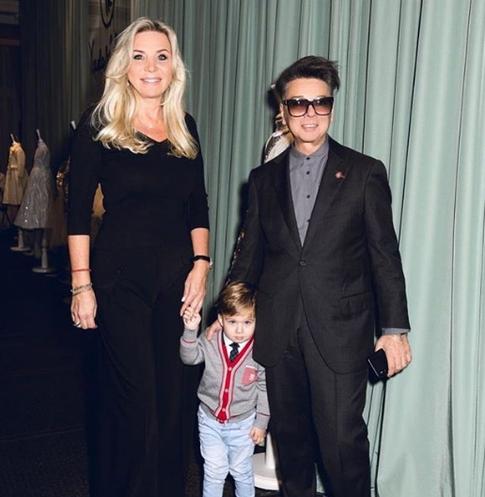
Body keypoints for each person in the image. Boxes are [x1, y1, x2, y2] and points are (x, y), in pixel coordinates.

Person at [209, 56, 412, 497]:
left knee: (342, 443)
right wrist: (224, 315)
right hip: (279, 328)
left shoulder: (364, 172)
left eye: (320, 103)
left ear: (331, 108)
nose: (309, 113)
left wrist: (394, 329)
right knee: (290, 444)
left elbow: (384, 255)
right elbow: (248, 258)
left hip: (340, 331)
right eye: (298, 103)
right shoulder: (262, 180)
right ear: (283, 111)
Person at [67, 17, 210, 497]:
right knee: (135, 404)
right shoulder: (99, 125)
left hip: (175, 282)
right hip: (118, 280)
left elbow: (198, 205)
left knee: (171, 402)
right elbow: (77, 213)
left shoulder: (185, 127)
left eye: (161, 57)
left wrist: (201, 266)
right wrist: (81, 285)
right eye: (139, 56)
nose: (151, 67)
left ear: (174, 67)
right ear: (123, 66)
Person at [180, 282, 269, 497]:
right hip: (209, 421)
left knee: (241, 471)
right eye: (232, 322)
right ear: (220, 319)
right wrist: (190, 331)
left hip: (243, 424)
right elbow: (190, 358)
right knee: (214, 471)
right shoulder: (210, 339)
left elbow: (264, 388)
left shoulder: (259, 351)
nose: (239, 330)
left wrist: (261, 423)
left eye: (247, 322)